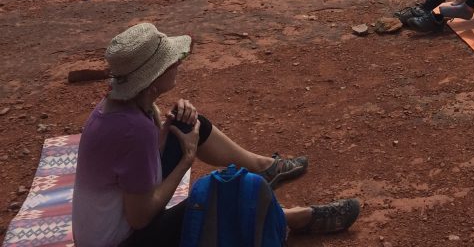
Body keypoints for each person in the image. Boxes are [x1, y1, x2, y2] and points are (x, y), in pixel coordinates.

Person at [71, 22, 360, 247]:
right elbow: (140, 218)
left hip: (119, 221)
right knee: (218, 196)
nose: (178, 63)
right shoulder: (132, 131)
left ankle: (265, 168)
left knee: (188, 124)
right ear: (151, 80)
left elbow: (134, 161)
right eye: (170, 61)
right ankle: (294, 219)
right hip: (125, 242)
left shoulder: (122, 105)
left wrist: (166, 128)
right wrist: (186, 159)